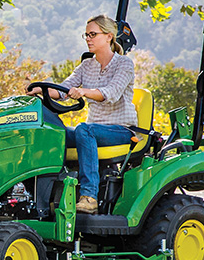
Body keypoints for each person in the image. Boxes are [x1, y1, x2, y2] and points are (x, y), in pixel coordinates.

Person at [28, 14, 137, 214]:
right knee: (52, 131)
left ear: (109, 36)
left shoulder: (124, 64)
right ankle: (45, 195)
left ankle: (89, 197)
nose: (88, 39)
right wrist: (40, 91)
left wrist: (83, 92)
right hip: (93, 131)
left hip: (121, 130)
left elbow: (110, 93)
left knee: (83, 130)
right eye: (86, 35)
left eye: (93, 34)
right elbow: (63, 90)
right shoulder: (87, 66)